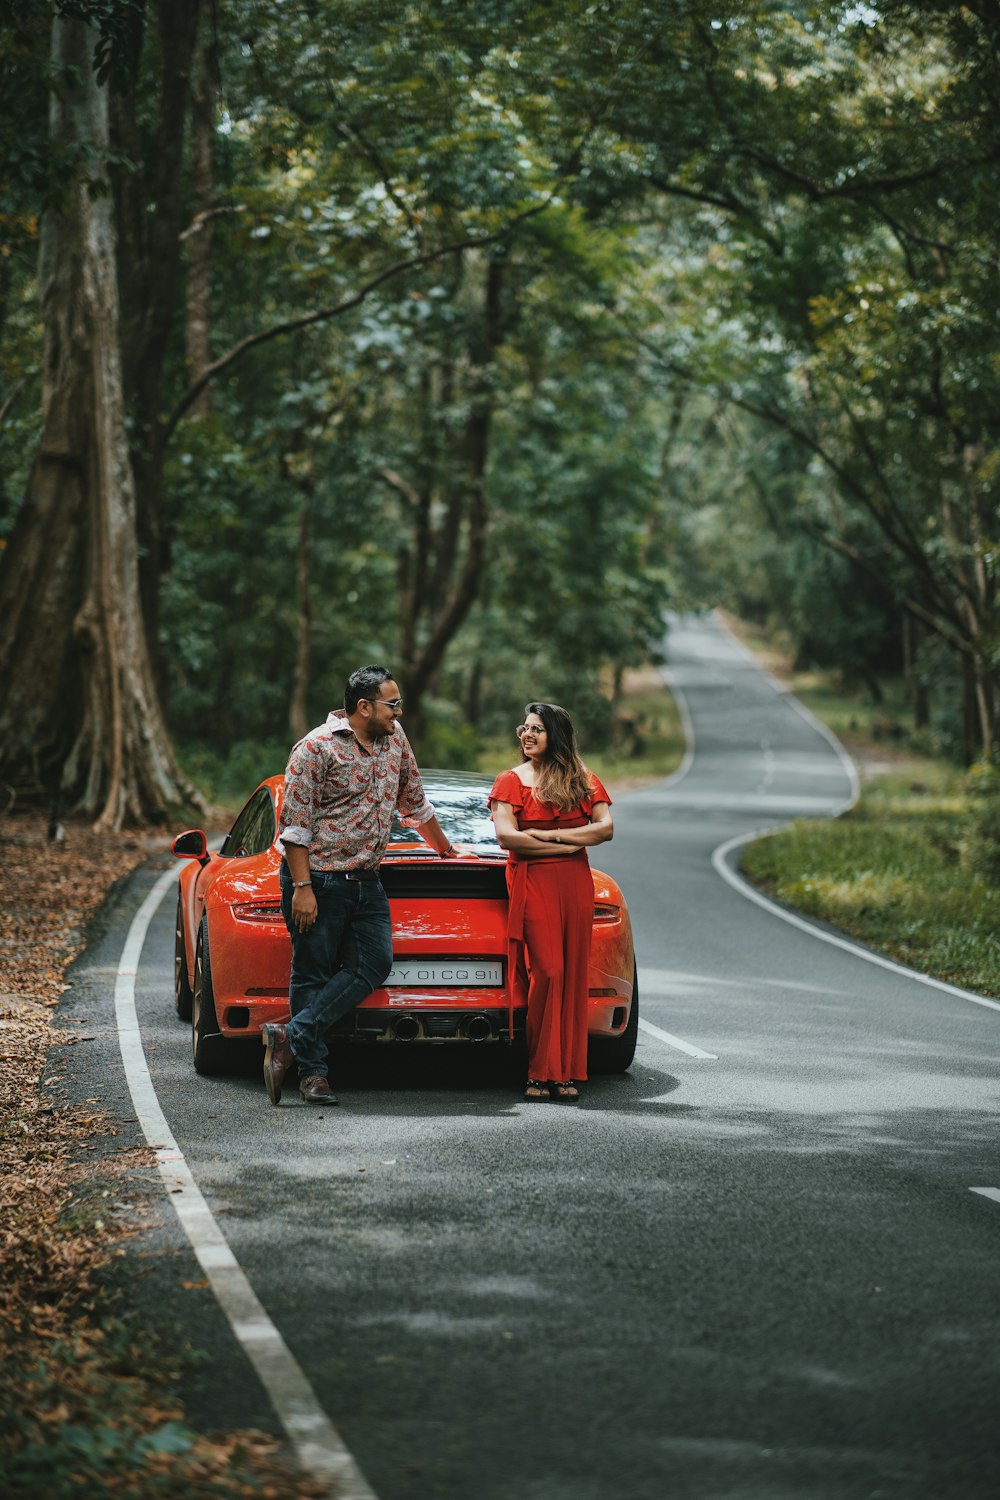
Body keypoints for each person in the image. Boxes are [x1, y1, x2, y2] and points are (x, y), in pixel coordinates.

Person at [262, 665, 457, 1106]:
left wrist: (446, 849)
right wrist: (303, 888)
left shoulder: (395, 740)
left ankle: (288, 1037)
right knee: (311, 973)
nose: (400, 711)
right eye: (393, 704)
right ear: (364, 706)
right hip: (321, 880)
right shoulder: (314, 748)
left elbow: (415, 803)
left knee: (373, 964)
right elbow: (295, 828)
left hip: (368, 880)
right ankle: (314, 1076)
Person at [488, 702, 613, 1103]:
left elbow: (605, 829)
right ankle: (539, 1070)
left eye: (536, 729)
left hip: (574, 883)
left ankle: (564, 1072)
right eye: (523, 728)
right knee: (550, 971)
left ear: (555, 735)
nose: (526, 735)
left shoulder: (583, 779)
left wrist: (548, 837)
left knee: (572, 973)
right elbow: (508, 838)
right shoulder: (510, 780)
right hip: (532, 882)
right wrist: (572, 837)